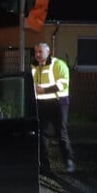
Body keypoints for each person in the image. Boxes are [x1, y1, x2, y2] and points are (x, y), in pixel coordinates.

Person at [31, 42, 76, 174]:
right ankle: (44, 165)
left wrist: (43, 90)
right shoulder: (34, 65)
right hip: (41, 104)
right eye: (36, 52)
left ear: (48, 52)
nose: (38, 54)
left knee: (61, 133)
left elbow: (63, 84)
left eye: (40, 51)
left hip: (58, 103)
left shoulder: (58, 64)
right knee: (42, 135)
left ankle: (69, 160)